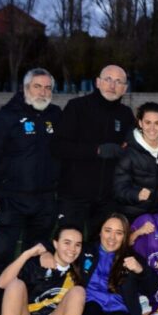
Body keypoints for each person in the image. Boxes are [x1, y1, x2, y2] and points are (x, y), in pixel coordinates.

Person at [0, 68, 62, 315]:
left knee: (37, 256)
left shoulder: (56, 116)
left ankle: (32, 304)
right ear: (26, 88)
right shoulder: (6, 117)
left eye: (47, 88)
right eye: (38, 86)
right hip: (10, 200)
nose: (43, 92)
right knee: (2, 255)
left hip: (45, 201)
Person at [51, 64, 135, 239]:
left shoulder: (126, 114)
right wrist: (96, 150)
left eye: (118, 81)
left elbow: (131, 149)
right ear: (98, 82)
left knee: (100, 249)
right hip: (73, 197)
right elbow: (58, 146)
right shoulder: (77, 107)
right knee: (70, 249)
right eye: (108, 80)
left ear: (124, 88)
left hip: (107, 199)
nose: (112, 85)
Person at [71, 213, 158, 315]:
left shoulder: (132, 257)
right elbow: (62, 247)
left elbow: (153, 287)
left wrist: (140, 270)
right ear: (99, 232)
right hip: (91, 307)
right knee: (91, 313)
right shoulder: (85, 250)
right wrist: (46, 252)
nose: (112, 237)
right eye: (108, 231)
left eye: (119, 233)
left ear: (125, 236)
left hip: (120, 310)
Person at [114, 102, 158, 222]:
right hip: (134, 214)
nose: (152, 128)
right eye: (147, 122)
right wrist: (136, 195)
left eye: (157, 123)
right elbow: (119, 188)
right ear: (140, 123)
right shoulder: (128, 151)